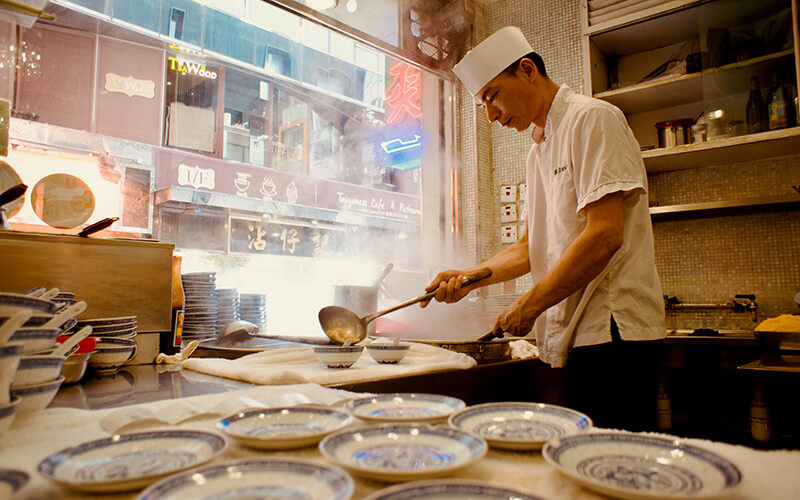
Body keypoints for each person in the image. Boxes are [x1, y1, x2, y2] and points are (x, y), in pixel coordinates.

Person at [422, 27, 665, 430]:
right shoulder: (540, 149)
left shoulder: (592, 119)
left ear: (527, 69)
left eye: (492, 96)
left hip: (615, 332)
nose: (491, 115)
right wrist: (469, 278)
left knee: (616, 470)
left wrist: (529, 305)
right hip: (579, 336)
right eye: (484, 103)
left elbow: (604, 234)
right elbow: (529, 247)